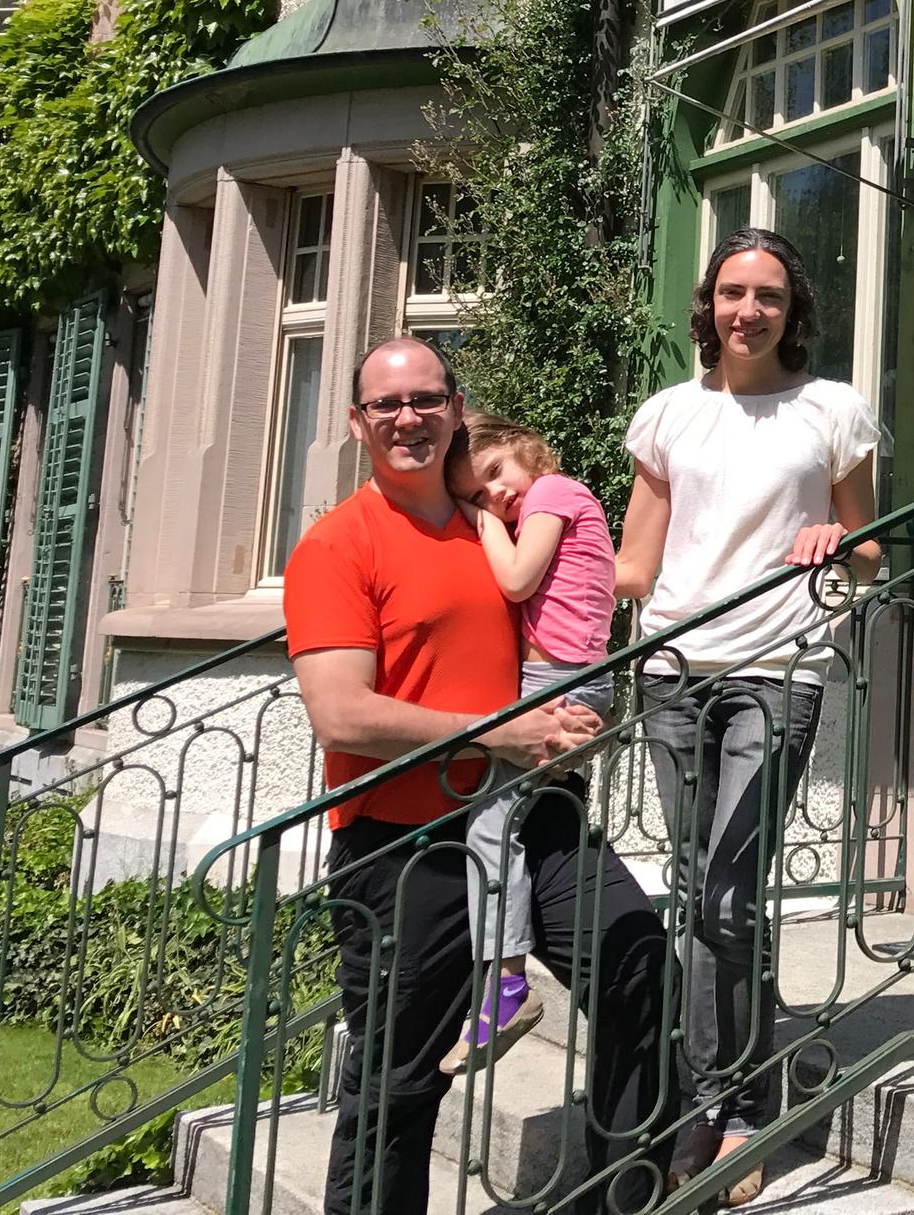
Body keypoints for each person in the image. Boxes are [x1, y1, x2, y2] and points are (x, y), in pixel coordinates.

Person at [285, 337, 674, 1215]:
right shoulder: (339, 546)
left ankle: (622, 1196)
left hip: (532, 815)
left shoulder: (497, 525)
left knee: (639, 965)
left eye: (426, 399)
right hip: (404, 839)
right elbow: (342, 713)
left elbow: (572, 632)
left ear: (457, 410)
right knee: (400, 1079)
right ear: (358, 424)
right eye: (386, 405)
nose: (408, 418)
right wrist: (500, 734)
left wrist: (578, 724)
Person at [617, 228, 881, 1207]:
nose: (748, 310)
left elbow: (870, 553)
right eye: (733, 292)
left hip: (779, 670)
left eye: (767, 294)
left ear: (791, 309)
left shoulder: (830, 412)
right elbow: (637, 563)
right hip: (676, 671)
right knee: (699, 894)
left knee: (728, 897)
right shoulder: (668, 416)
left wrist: (837, 542)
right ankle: (705, 1099)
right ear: (710, 304)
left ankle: (731, 1110)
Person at [441, 414, 621, 1076]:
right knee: (498, 822)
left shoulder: (554, 492)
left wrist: (481, 522)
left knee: (491, 823)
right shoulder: (555, 503)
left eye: (494, 475)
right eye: (482, 495)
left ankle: (508, 984)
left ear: (526, 448)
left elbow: (516, 581)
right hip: (560, 681)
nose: (498, 496)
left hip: (561, 684)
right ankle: (503, 981)